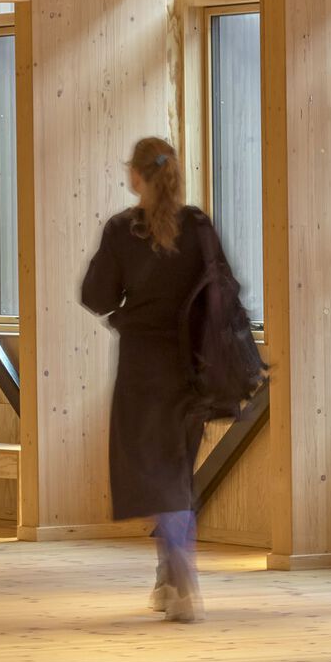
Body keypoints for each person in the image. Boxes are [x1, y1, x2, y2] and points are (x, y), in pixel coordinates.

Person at [79, 136, 224, 623]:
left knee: (157, 476)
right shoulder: (199, 225)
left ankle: (181, 575)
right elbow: (220, 289)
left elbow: (96, 296)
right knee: (177, 472)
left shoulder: (124, 230)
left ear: (136, 176)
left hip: (144, 368)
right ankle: (169, 578)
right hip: (193, 367)